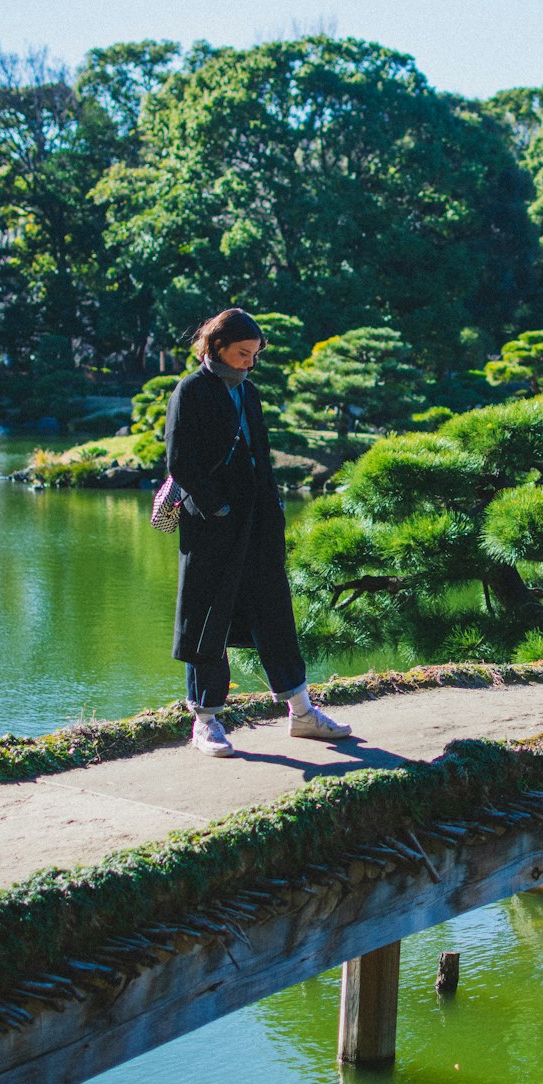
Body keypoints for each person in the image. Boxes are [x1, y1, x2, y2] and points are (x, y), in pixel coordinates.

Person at [164, 307, 352, 756]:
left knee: (274, 611)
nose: (250, 362)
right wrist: (218, 507)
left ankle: (302, 712)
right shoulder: (189, 392)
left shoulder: (248, 393)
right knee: (207, 618)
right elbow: (180, 462)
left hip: (256, 522)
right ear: (216, 347)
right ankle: (205, 722)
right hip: (211, 526)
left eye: (254, 355)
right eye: (243, 353)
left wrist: (275, 514)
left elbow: (260, 455)